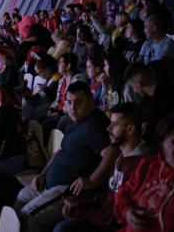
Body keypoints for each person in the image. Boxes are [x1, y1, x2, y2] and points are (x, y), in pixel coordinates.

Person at [14, 82, 118, 232]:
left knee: (28, 216)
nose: (73, 108)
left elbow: (111, 153)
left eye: (79, 102)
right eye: (69, 102)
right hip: (48, 185)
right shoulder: (76, 123)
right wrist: (42, 175)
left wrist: (91, 181)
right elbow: (58, 153)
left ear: (90, 100)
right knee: (21, 198)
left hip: (65, 190)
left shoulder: (94, 124)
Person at [54, 102, 152, 232]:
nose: (108, 128)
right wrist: (80, 205)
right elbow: (108, 195)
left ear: (130, 129)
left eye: (115, 125)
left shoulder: (142, 164)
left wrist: (83, 212)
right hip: (102, 215)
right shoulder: (121, 155)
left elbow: (117, 214)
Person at [113, 113, 174, 232]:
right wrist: (127, 211)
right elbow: (123, 192)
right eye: (173, 142)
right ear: (162, 145)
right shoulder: (148, 165)